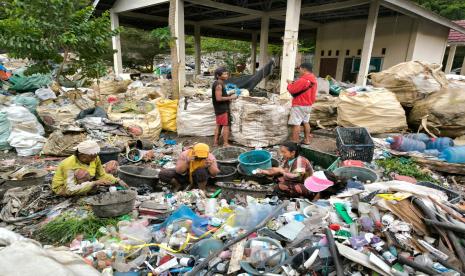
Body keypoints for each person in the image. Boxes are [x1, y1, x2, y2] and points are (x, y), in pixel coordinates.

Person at [52, 140, 128, 196]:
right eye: (92, 157)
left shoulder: (95, 158)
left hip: (87, 179)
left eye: (95, 156)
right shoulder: (68, 164)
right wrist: (94, 183)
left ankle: (88, 188)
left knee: (112, 165)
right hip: (65, 187)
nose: (95, 159)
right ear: (82, 155)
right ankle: (85, 193)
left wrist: (117, 180)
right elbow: (70, 189)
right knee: (82, 173)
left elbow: (101, 175)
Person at [286, 63, 318, 144]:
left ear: (304, 69)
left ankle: (295, 143)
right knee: (306, 122)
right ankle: (307, 140)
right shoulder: (313, 80)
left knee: (296, 124)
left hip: (299, 104)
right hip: (308, 105)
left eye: (299, 69)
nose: (299, 71)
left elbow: (292, 90)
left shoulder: (303, 80)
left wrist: (289, 83)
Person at [212, 67, 237, 147]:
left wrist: (227, 95)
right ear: (218, 76)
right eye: (224, 74)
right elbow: (218, 98)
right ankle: (225, 143)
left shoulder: (219, 83)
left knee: (219, 124)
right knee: (226, 125)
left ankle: (215, 143)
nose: (226, 75)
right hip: (222, 108)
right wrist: (231, 97)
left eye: (226, 73)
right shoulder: (219, 84)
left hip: (219, 108)